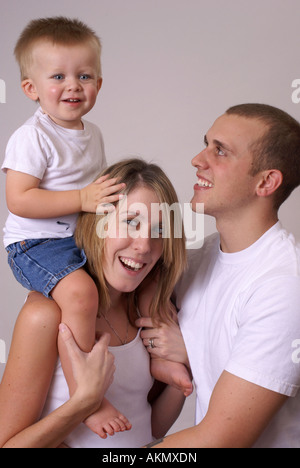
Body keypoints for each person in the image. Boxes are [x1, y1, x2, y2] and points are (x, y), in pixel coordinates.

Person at [138, 104, 300, 448]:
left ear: (266, 182)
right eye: (206, 144)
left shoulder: (284, 286)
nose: (198, 159)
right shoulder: (198, 262)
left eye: (220, 151)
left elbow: (219, 441)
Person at [0, 159, 187, 448]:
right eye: (130, 222)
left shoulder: (147, 310)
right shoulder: (46, 317)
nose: (144, 245)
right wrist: (85, 402)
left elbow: (150, 427)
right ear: (97, 223)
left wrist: (182, 373)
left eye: (159, 231)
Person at [1, 17, 125, 433]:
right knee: (80, 292)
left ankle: (164, 360)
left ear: (99, 84)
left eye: (84, 75)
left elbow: (96, 191)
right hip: (35, 243)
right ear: (31, 89)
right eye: (58, 76)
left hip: (75, 236)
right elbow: (19, 198)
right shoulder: (31, 137)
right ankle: (86, 395)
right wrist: (82, 199)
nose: (73, 85)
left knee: (135, 268)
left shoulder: (93, 134)